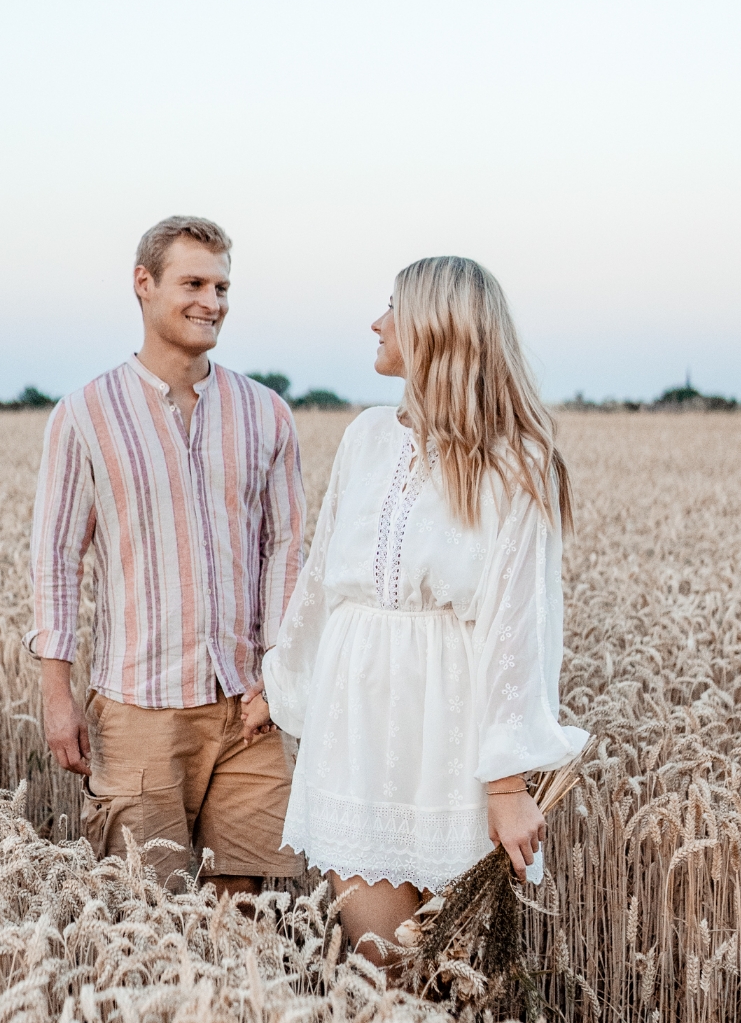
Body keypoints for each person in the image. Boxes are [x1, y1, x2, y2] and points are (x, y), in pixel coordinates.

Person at [248, 255, 587, 963]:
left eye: (392, 309)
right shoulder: (366, 436)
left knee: (444, 976)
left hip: (446, 734)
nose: (376, 323)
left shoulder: (517, 462)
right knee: (379, 964)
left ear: (434, 330)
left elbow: (516, 626)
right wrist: (281, 683)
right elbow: (324, 582)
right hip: (354, 725)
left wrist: (505, 785)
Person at [27, 215, 306, 895]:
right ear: (143, 285)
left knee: (246, 913)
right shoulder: (85, 414)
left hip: (249, 708)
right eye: (193, 283)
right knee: (151, 909)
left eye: (221, 286)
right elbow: (57, 558)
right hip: (139, 705)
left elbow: (289, 552)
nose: (212, 302)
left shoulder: (267, 412)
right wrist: (57, 695)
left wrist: (280, 678)